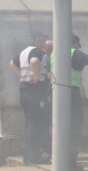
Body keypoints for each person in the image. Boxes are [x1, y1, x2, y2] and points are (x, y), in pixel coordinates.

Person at [50, 35, 88, 170]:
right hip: (71, 92)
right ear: (74, 43)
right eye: (78, 45)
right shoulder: (73, 52)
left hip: (55, 92)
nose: (78, 47)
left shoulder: (54, 53)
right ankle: (70, 162)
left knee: (58, 125)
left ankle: (58, 158)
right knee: (75, 126)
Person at [9, 30, 51, 165]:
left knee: (30, 122)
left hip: (25, 90)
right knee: (35, 123)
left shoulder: (24, 51)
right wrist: (37, 78)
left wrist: (22, 76)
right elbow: (34, 62)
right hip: (34, 91)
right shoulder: (36, 51)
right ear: (36, 39)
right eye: (43, 38)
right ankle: (33, 155)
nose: (44, 41)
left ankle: (28, 155)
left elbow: (12, 63)